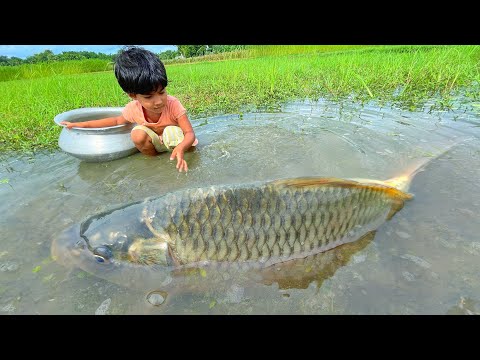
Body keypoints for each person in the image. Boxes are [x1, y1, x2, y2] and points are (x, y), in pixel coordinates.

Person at [60, 45, 197, 172]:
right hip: (157, 143)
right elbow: (115, 122)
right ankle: (155, 163)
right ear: (133, 95)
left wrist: (181, 147)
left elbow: (189, 134)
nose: (158, 101)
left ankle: (181, 156)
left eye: (162, 92)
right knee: (137, 134)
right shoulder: (133, 109)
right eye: (148, 97)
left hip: (179, 142)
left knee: (170, 131)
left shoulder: (173, 104)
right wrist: (80, 125)